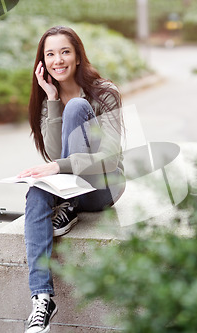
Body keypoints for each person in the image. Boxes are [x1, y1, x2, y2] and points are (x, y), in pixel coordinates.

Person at [17, 26, 125, 333]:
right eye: (50, 54)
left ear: (77, 56)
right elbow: (53, 156)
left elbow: (111, 157)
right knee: (36, 193)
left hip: (103, 186)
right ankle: (41, 298)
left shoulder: (104, 93)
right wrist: (52, 99)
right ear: (42, 62)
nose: (58, 60)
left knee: (77, 106)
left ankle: (70, 203)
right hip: (69, 191)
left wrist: (59, 167)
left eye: (65, 51)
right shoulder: (45, 99)